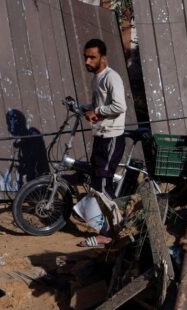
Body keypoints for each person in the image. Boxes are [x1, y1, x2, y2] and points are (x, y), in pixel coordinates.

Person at [78, 38, 127, 247]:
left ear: (102, 57)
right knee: (97, 184)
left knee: (104, 186)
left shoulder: (111, 77)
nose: (88, 61)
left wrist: (96, 111)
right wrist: (83, 107)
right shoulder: (96, 78)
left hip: (111, 137)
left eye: (92, 57)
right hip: (100, 135)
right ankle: (106, 230)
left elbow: (119, 106)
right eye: (86, 57)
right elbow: (100, 104)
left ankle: (117, 231)